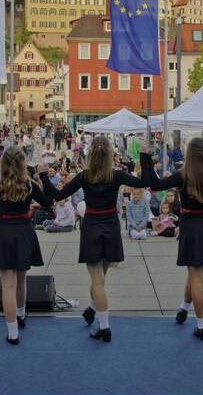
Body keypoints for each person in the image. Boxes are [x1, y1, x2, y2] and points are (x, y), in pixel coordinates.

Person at [40, 135, 147, 343]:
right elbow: (146, 182)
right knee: (100, 279)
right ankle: (91, 309)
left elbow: (57, 195)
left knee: (97, 280)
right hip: (110, 226)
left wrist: (44, 177)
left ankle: (104, 327)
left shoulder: (84, 176)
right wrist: (145, 157)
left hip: (92, 226)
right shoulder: (117, 176)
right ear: (109, 156)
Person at [141, 138, 203, 341]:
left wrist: (145, 158)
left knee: (196, 273)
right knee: (195, 269)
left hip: (191, 225)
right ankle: (184, 308)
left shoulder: (183, 175)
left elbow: (154, 184)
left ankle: (202, 325)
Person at [0, 147, 53, 344]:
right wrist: (43, 177)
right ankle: (20, 314)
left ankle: (12, 331)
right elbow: (47, 202)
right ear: (22, 164)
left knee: (7, 284)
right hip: (24, 231)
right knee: (21, 279)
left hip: (4, 231)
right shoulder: (28, 184)